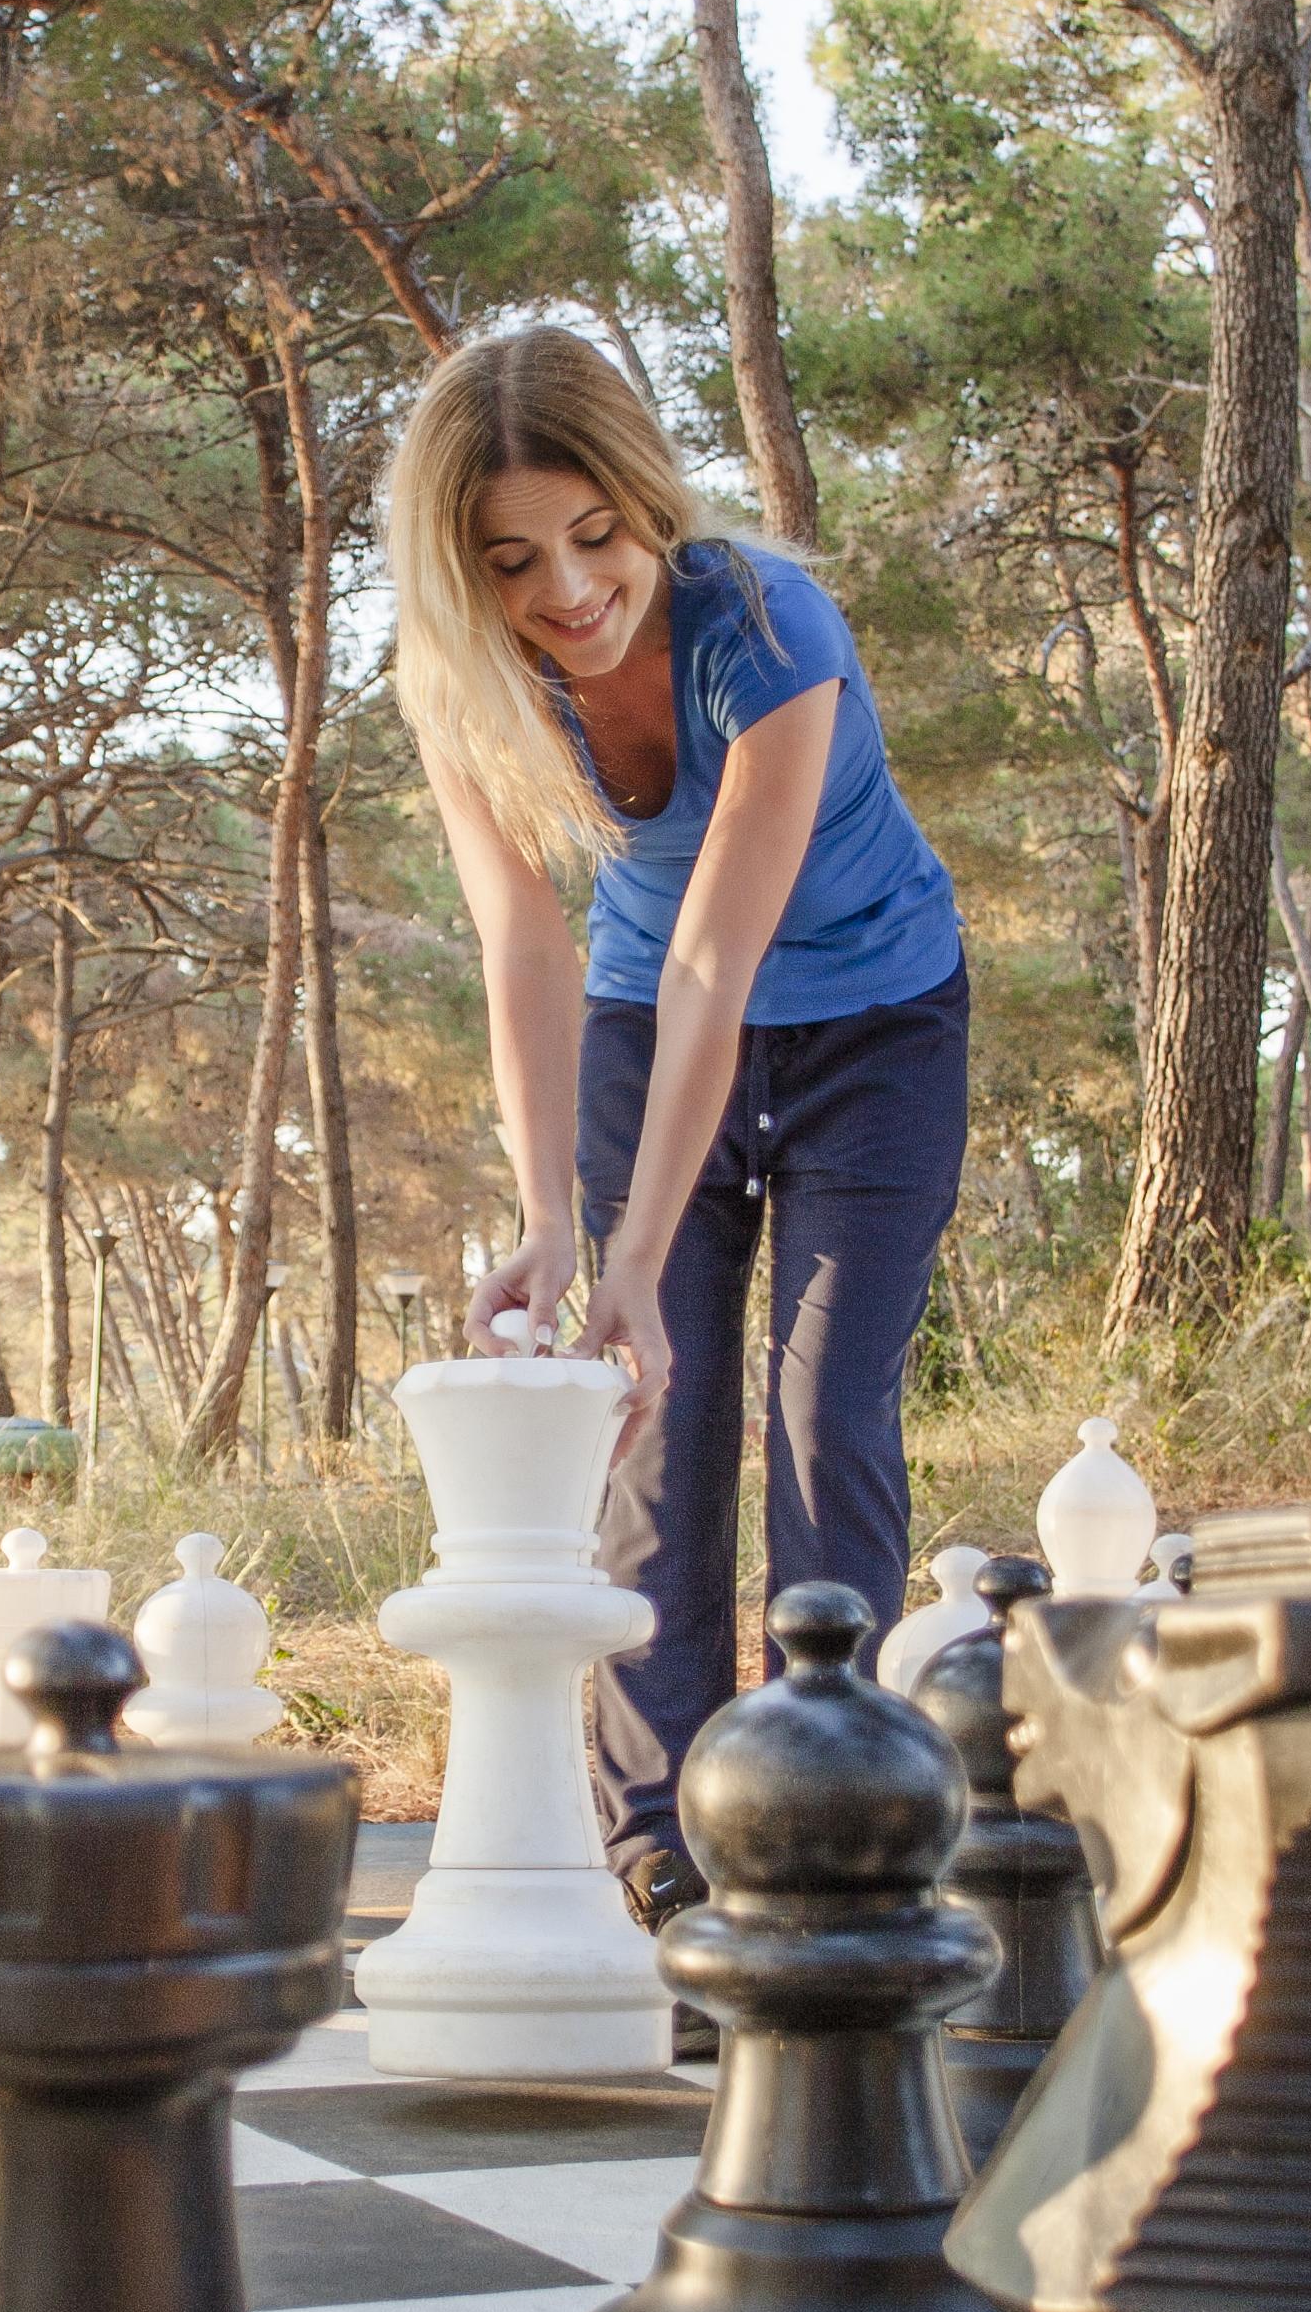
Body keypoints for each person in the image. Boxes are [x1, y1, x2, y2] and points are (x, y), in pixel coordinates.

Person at [388, 324, 972, 1919]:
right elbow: (525, 948)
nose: (569, 591)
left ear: (647, 499)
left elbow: (730, 949)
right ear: (462, 571)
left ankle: (825, 1807)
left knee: (822, 1406)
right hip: (655, 1035)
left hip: (876, 1022)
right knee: (661, 1415)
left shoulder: (770, 627)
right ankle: (664, 1850)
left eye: (596, 536)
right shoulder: (464, 685)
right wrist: (562, 1228)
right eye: (513, 561)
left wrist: (635, 1247)